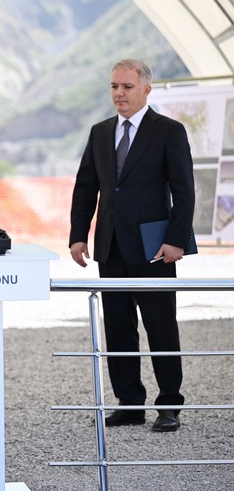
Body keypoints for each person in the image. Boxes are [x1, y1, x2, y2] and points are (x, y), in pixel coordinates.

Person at [69, 59, 195, 433]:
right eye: (113, 87)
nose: (119, 94)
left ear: (145, 90)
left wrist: (176, 240)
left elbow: (184, 190)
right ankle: (129, 402)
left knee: (160, 326)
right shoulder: (100, 131)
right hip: (109, 246)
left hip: (154, 249)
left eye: (126, 87)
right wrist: (78, 235)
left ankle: (169, 404)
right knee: (119, 328)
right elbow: (86, 187)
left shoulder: (169, 131)